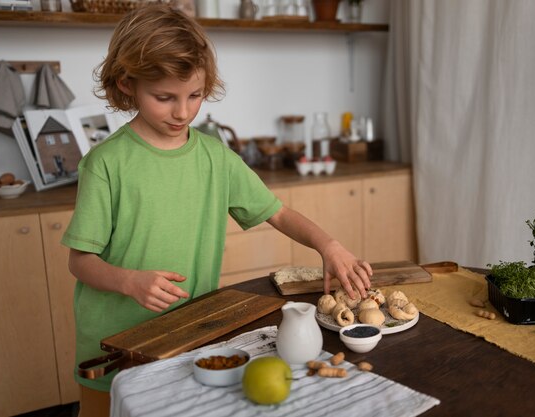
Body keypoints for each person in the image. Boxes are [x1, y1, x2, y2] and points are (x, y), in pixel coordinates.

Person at [61, 4, 373, 416]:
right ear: (127, 83)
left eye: (195, 95)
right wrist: (129, 281)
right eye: (164, 98)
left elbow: (275, 211)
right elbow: (80, 261)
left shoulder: (214, 156)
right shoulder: (106, 163)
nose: (183, 112)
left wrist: (328, 245)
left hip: (191, 332)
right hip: (116, 342)